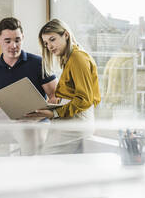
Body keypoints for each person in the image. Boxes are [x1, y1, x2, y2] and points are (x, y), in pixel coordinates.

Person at [28, 19, 101, 154]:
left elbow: (84, 99)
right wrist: (57, 104)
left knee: (47, 160)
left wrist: (55, 112)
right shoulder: (70, 59)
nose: (49, 46)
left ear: (66, 35)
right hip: (70, 118)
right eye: (46, 43)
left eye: (52, 39)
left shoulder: (77, 58)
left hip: (76, 121)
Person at [0, 17, 57, 114]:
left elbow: (55, 97)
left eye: (17, 40)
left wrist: (42, 110)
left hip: (37, 125)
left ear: (22, 38)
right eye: (8, 41)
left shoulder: (39, 64)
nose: (14, 46)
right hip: (6, 126)